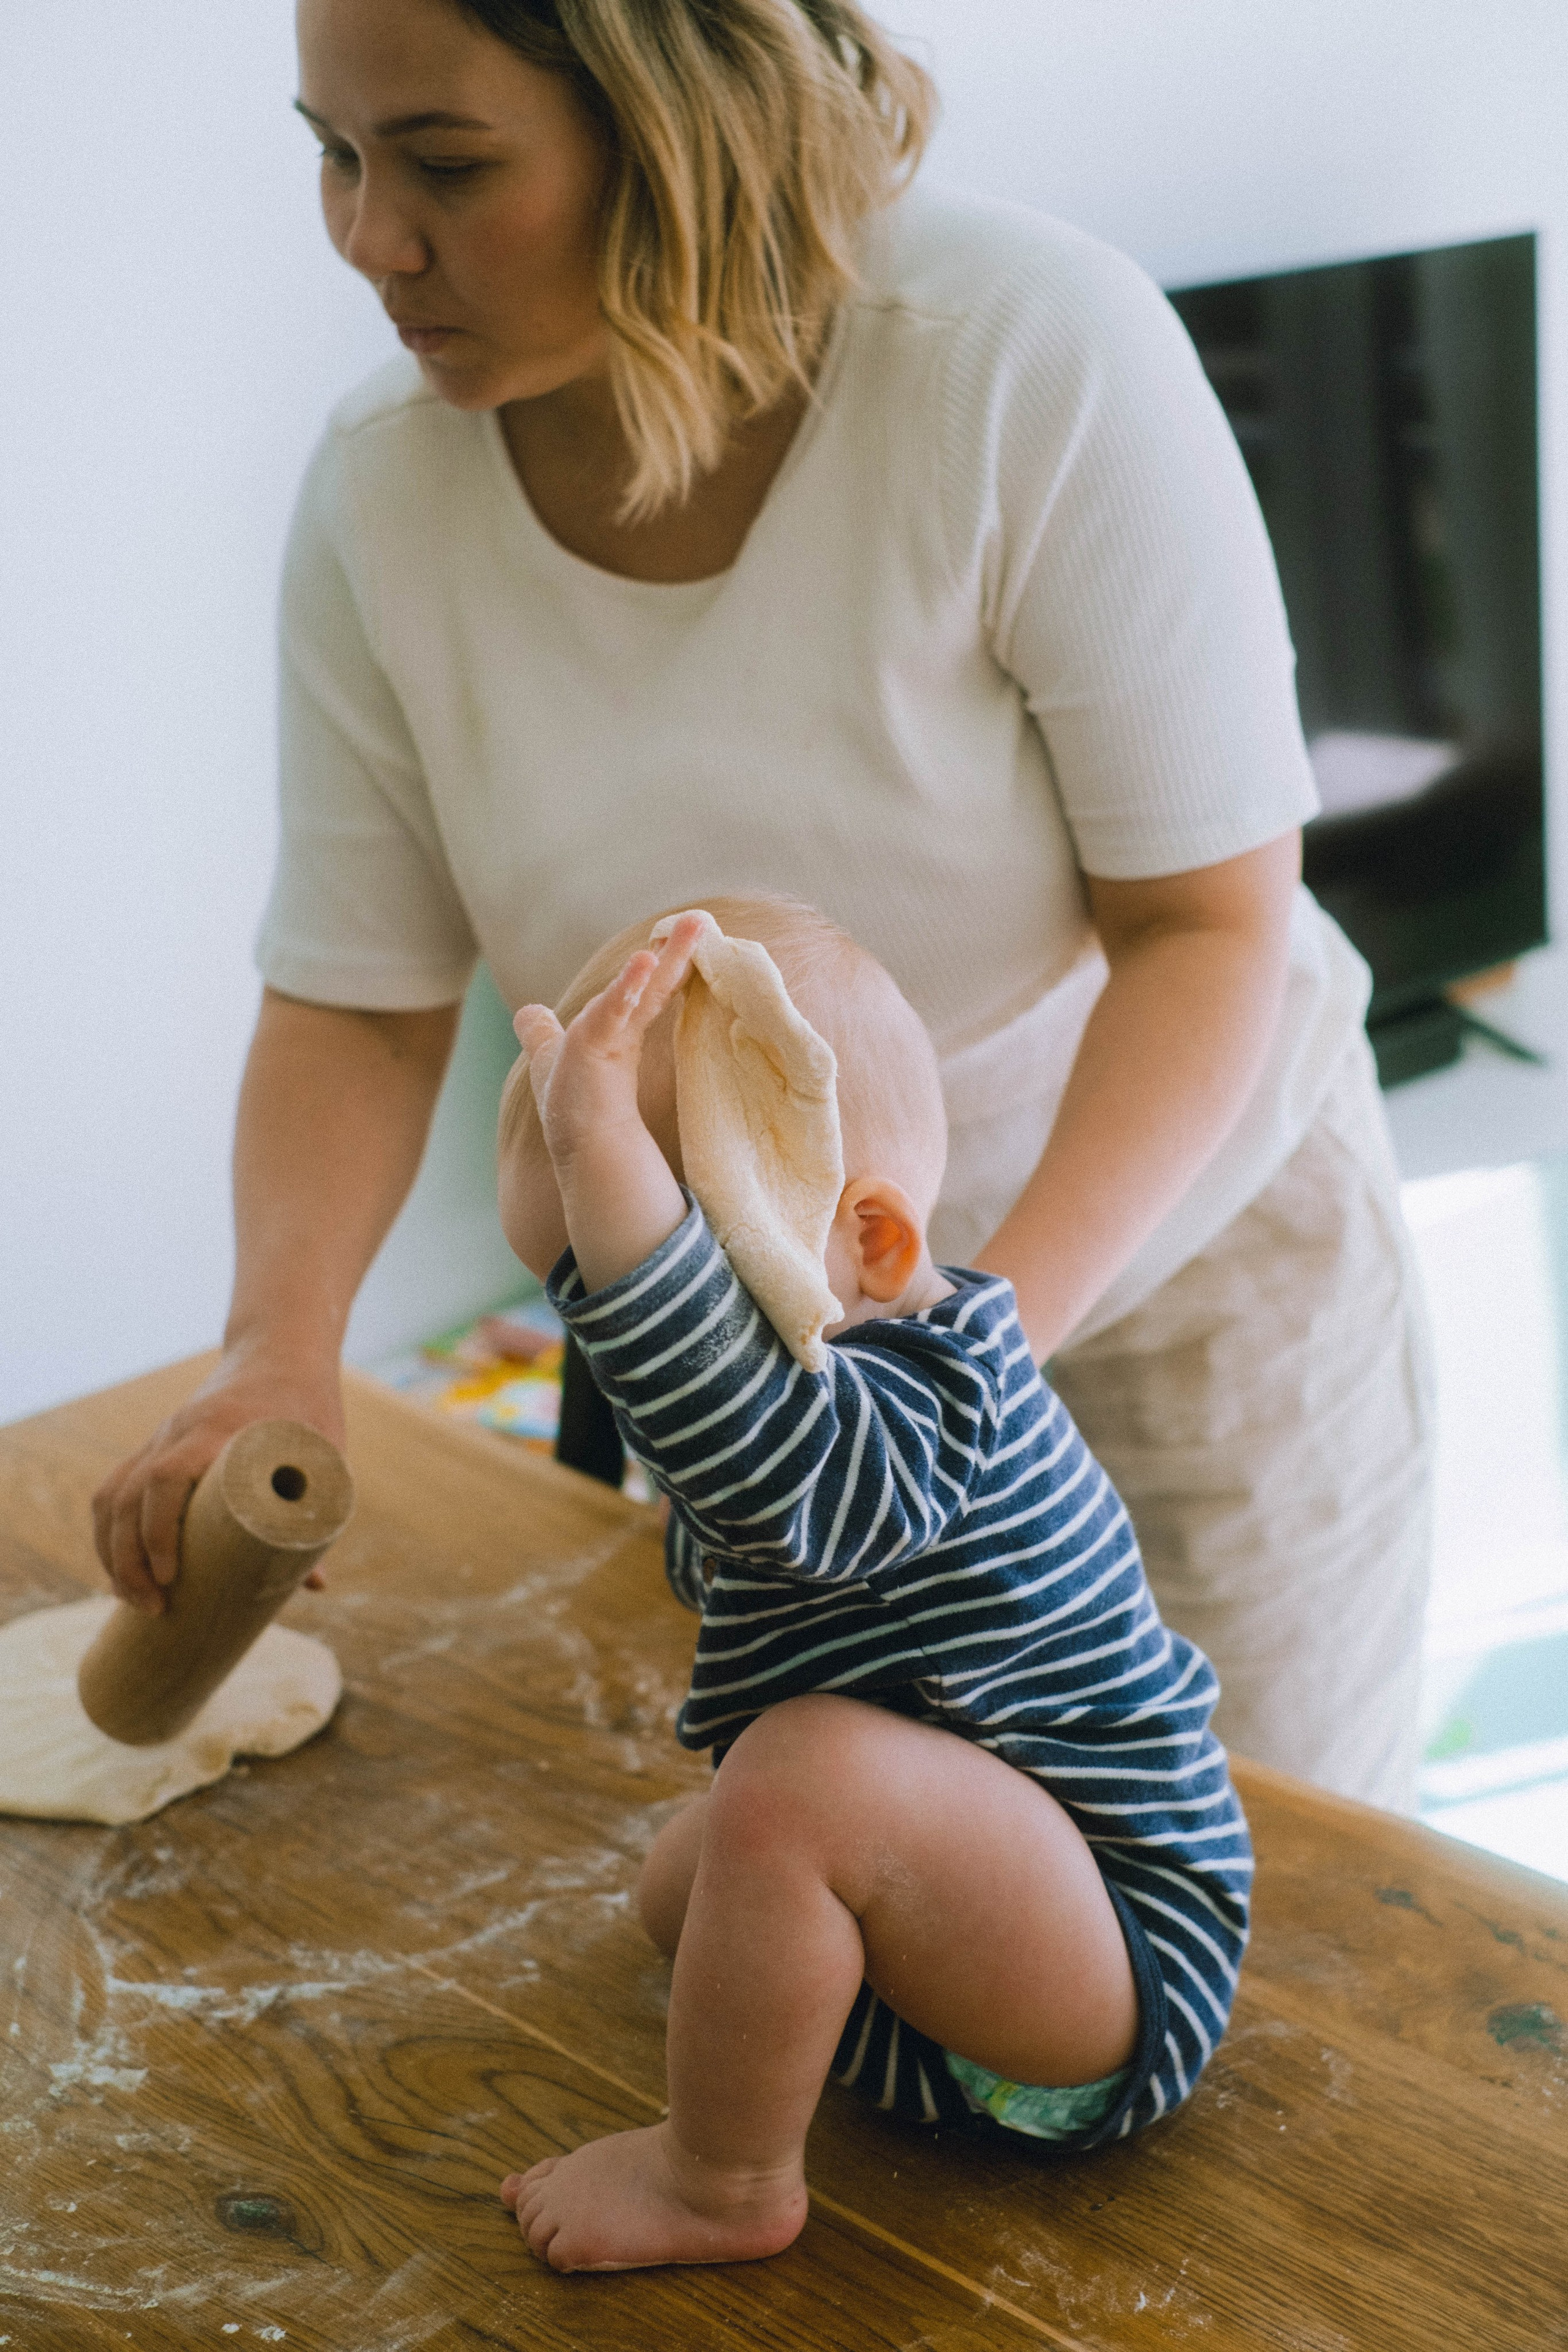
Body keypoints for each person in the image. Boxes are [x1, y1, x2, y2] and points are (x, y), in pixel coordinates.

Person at [91, 0, 1431, 1809]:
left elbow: (1205, 929)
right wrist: (277, 1347)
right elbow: (360, 1001)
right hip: (763, 1385)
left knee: (1265, 1896)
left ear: (676, 127)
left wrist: (953, 1381)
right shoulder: (381, 494)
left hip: (1180, 1297)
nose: (368, 238)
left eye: (447, 166)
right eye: (333, 154)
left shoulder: (1019, 355)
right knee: (858, 1899)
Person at [493, 898, 1250, 2271]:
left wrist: (601, 1154)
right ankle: (818, 2013)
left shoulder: (933, 1407)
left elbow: (750, 1453)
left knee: (791, 1782)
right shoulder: (806, 1400)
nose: (638, 1342)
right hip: (976, 1951)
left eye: (669, 1270)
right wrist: (578, 1166)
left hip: (1115, 1971)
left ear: (874, 1245)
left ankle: (720, 2182)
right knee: (685, 1886)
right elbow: (726, 1451)